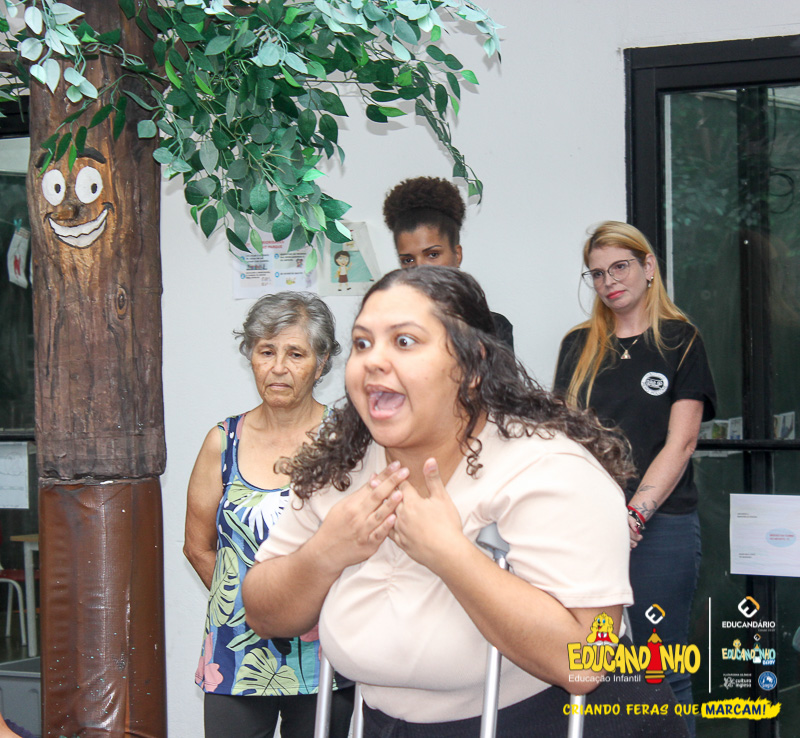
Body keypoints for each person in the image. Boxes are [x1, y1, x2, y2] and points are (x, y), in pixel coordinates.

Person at [242, 267, 688, 737]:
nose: (373, 360)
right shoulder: (341, 465)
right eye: (362, 343)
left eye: (405, 341)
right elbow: (263, 613)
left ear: (472, 365)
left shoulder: (548, 468)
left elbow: (586, 663)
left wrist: (449, 554)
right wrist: (324, 553)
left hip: (538, 721)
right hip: (383, 723)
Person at [553, 221, 716, 736]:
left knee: (661, 670)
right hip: (587, 529)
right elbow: (564, 440)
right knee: (590, 669)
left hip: (660, 527)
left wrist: (634, 515)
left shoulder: (681, 341)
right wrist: (596, 515)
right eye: (597, 273)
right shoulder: (578, 345)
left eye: (620, 267)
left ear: (648, 267)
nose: (609, 281)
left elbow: (680, 443)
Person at [184, 292, 354, 738]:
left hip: (325, 654)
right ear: (251, 358)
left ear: (321, 363)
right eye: (266, 352)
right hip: (236, 654)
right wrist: (258, 608)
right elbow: (198, 548)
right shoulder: (222, 441)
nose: (278, 367)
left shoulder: (348, 442)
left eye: (295, 354)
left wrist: (306, 612)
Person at [382, 176, 514, 349]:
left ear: (457, 255)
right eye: (408, 260)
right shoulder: (388, 327)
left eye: (433, 254)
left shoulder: (493, 328)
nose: (419, 268)